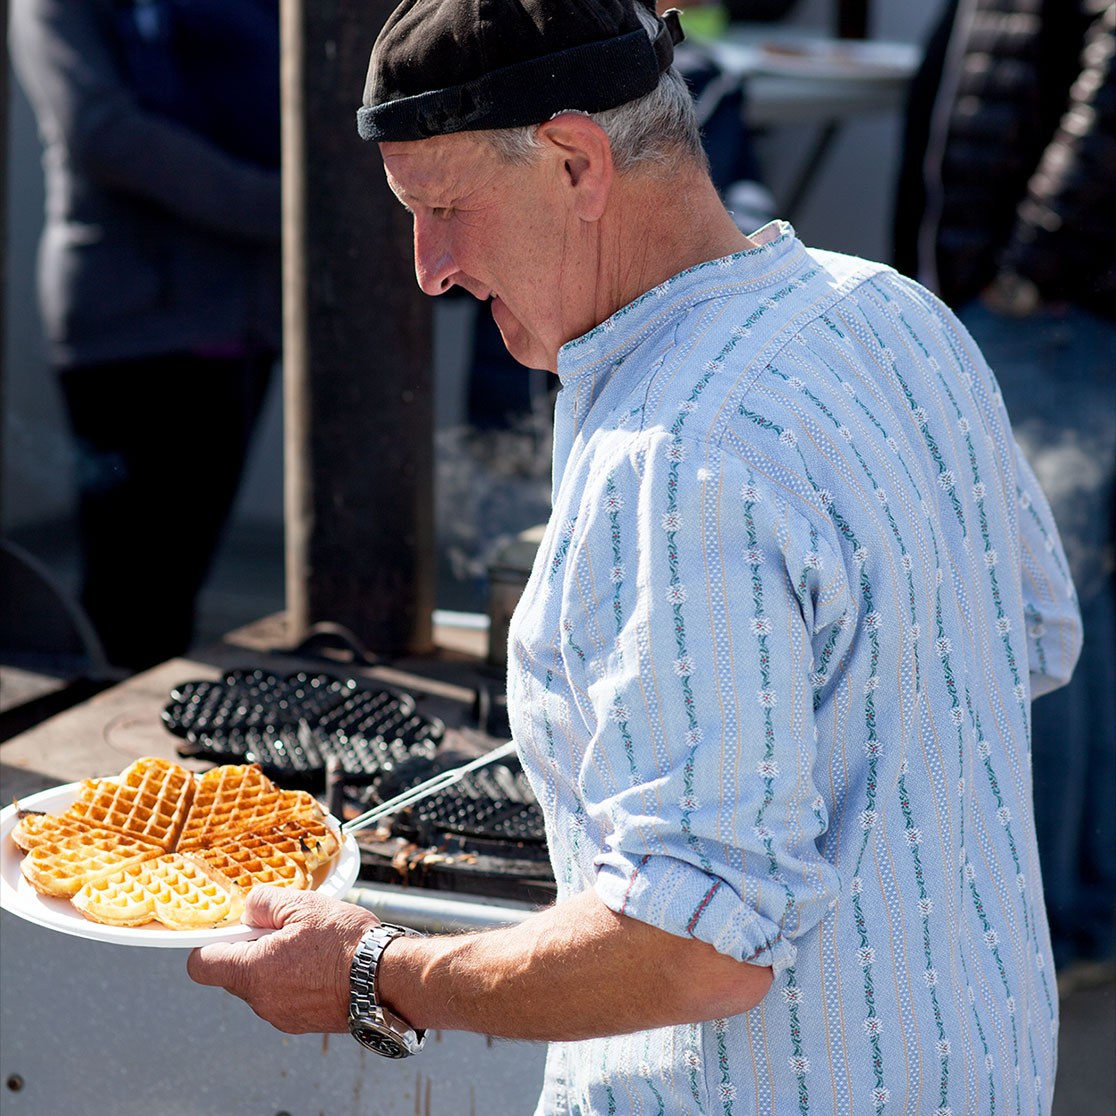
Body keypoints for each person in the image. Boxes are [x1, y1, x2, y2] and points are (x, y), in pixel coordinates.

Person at [188, 2, 1082, 1112]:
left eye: (444, 210)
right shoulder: (897, 312)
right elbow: (1034, 639)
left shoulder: (679, 453)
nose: (431, 268)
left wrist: (378, 973)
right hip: (981, 1072)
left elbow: (695, 949)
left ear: (575, 160)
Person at [894, 0, 1116, 983]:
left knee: (1035, 614)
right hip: (1025, 301)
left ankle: (1058, 918)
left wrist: (1029, 270)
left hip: (1045, 308)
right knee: (1078, 611)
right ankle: (1082, 908)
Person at [9, 0, 283, 672]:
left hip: (243, 323)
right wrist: (281, 207)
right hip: (129, 329)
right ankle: (101, 759)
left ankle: (145, 751)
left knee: (179, 580)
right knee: (129, 587)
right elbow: (100, 131)